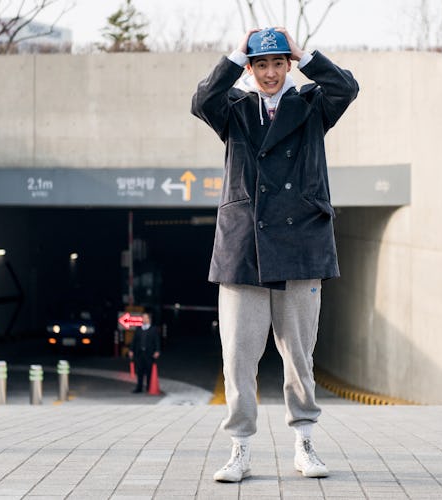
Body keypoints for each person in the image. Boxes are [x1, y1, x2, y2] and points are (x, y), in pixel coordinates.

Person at [191, 27, 359, 482]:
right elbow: (202, 99)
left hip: (302, 244)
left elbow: (347, 87)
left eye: (278, 63)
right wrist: (234, 54)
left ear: (289, 65)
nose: (269, 73)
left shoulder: (312, 105)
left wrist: (307, 56)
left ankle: (305, 441)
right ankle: (240, 448)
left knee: (299, 356)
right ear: (249, 67)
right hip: (244, 247)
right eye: (260, 64)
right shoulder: (234, 111)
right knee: (238, 357)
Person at [129, 312, 161, 393]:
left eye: (145, 318)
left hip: (149, 354)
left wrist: (157, 351)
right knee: (139, 371)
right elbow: (134, 341)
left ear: (149, 319)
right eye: (143, 318)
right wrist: (131, 350)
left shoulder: (153, 329)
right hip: (139, 353)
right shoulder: (139, 329)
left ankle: (149, 387)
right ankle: (139, 387)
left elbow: (157, 341)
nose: (144, 319)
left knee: (149, 371)